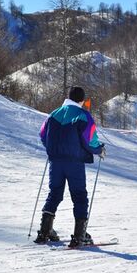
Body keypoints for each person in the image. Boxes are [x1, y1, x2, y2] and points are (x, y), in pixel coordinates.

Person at [34, 87, 105, 248]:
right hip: (74, 162)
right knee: (79, 195)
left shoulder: (53, 114)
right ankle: (79, 235)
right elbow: (89, 139)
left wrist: (52, 149)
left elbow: (42, 134)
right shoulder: (83, 115)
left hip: (55, 161)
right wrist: (99, 149)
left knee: (55, 193)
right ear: (81, 100)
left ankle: (45, 231)